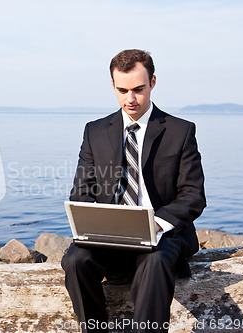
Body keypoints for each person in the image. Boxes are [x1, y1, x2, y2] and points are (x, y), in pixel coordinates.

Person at [61, 49, 206, 332]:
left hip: (163, 235)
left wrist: (156, 223)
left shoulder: (181, 131)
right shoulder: (95, 131)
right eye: (122, 90)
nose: (130, 99)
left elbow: (193, 194)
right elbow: (81, 191)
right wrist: (94, 219)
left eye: (138, 89)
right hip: (110, 236)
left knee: (154, 261)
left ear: (152, 82)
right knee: (75, 260)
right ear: (113, 86)